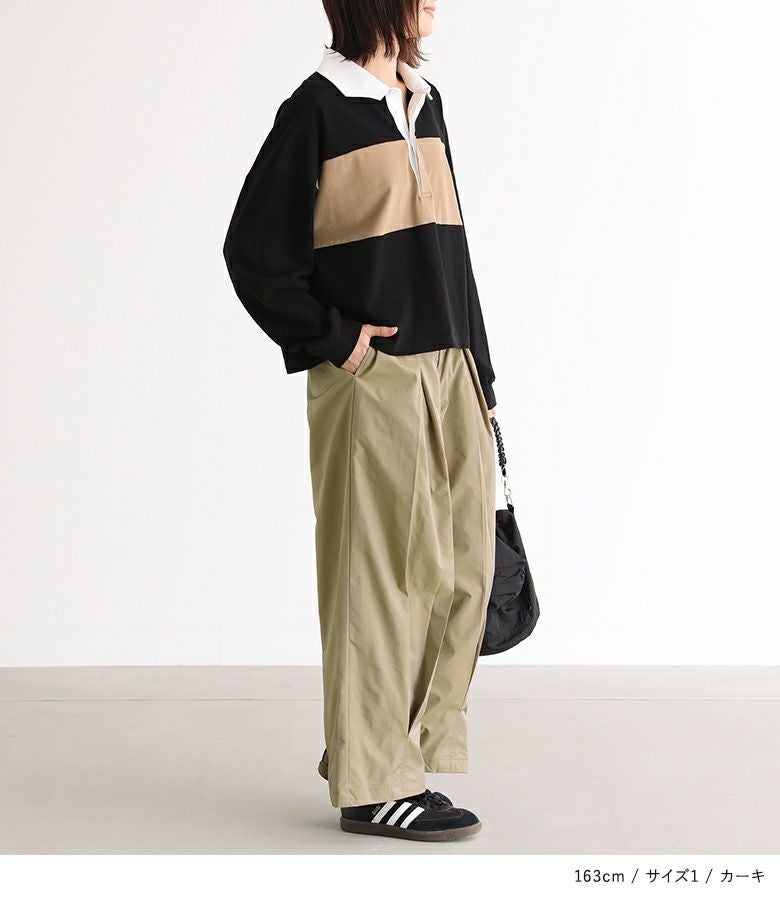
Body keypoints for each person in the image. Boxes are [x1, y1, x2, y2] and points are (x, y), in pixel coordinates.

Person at [223, 0, 497, 842]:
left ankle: (392, 755)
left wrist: (483, 378)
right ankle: (373, 784)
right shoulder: (315, 109)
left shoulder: (425, 101)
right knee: (377, 581)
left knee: (460, 572)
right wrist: (336, 342)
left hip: (451, 369)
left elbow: (452, 258)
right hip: (373, 382)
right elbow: (252, 253)